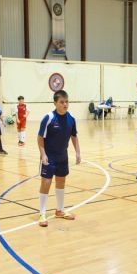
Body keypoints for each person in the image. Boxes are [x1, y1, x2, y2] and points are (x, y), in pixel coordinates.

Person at [37, 89, 80, 228]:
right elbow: (40, 137)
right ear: (55, 103)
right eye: (62, 102)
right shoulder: (49, 118)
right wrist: (43, 154)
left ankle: (60, 210)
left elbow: (74, 136)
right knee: (46, 182)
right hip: (49, 157)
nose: (65, 104)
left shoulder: (71, 118)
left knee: (61, 181)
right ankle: (42, 213)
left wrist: (78, 152)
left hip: (63, 156)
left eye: (67, 102)